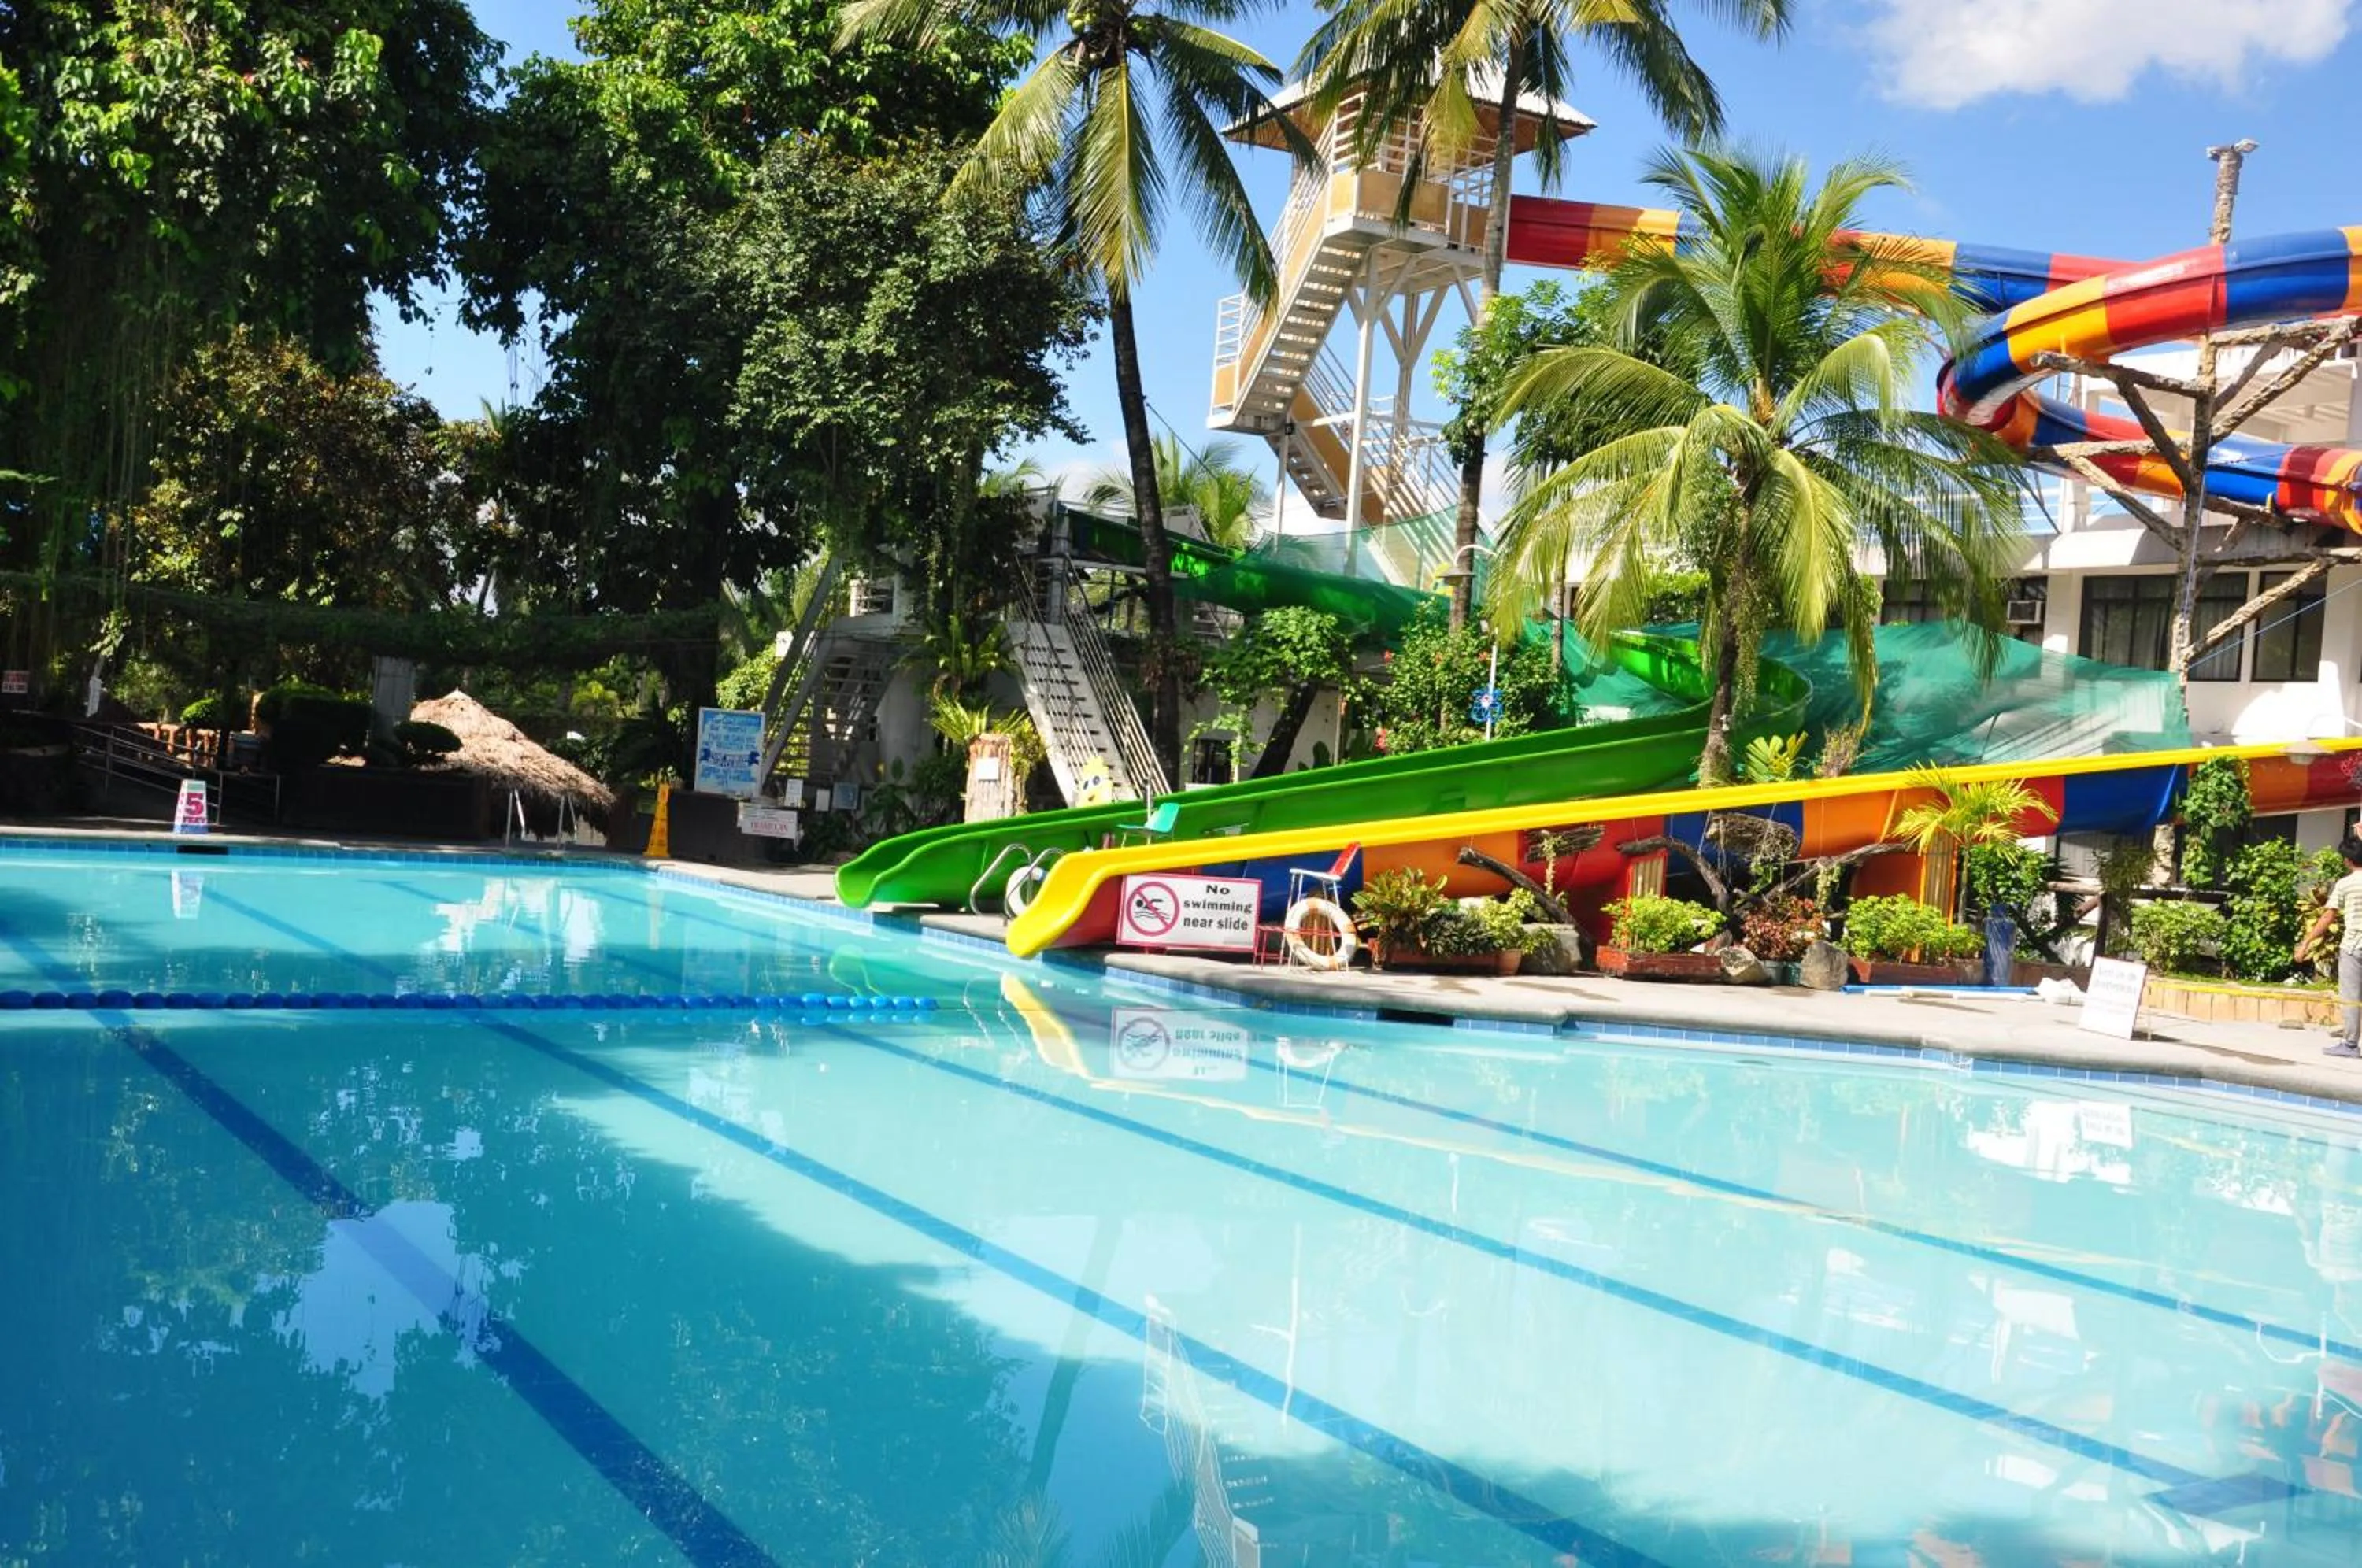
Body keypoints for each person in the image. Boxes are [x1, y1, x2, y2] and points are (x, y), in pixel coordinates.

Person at [2296, 833, 2362, 1057]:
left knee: (2351, 996)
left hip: (2354, 946)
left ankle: (2351, 1045)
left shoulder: (2345, 884)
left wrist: (2305, 943)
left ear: (2347, 860)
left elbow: (2327, 917)